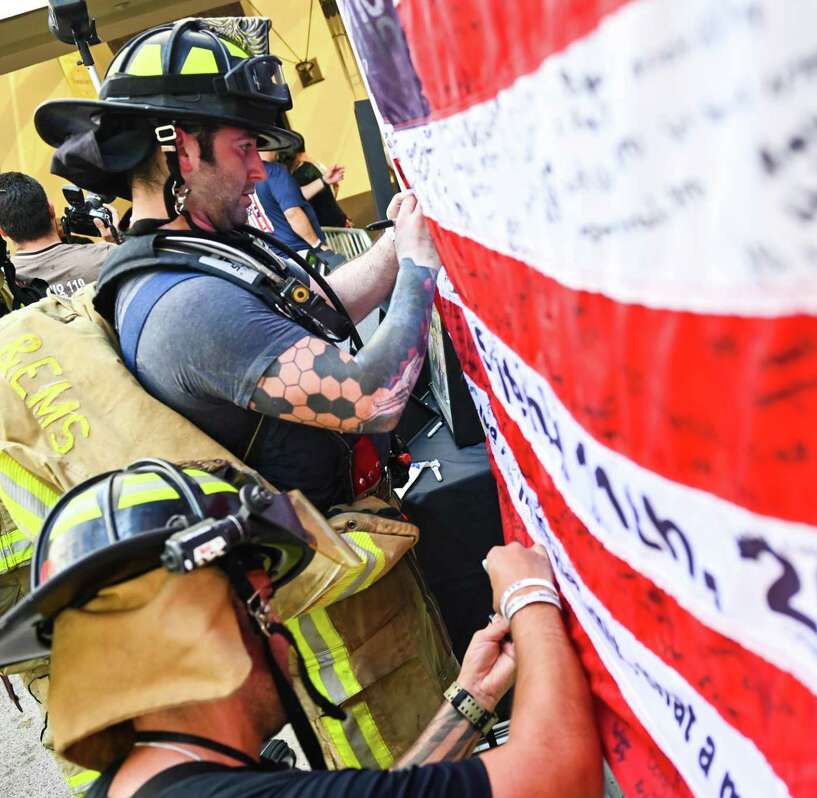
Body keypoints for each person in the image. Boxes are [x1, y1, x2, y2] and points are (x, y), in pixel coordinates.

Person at [34, 19, 458, 768]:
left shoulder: (191, 261)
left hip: (359, 574)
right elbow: (376, 395)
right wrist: (421, 269)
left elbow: (314, 309)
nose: (261, 172)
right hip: (342, 638)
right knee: (414, 772)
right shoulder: (185, 307)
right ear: (179, 148)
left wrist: (396, 246)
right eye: (243, 148)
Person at [0, 461, 602, 798]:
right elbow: (559, 775)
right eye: (266, 602)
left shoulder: (155, 782)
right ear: (201, 626)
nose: (283, 633)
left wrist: (471, 703)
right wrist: (530, 596)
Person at [0, 171, 114, 296]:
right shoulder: (109, 256)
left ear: (2, 232)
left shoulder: (6, 288)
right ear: (51, 209)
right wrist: (119, 245)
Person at [255, 150, 344, 267]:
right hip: (302, 252)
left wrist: (323, 181)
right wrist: (317, 245)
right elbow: (292, 212)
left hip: (276, 258)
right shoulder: (274, 171)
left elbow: (292, 196)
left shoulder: (243, 177)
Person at [282, 144, 350, 228]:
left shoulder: (299, 175)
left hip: (332, 230)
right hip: (338, 224)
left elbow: (294, 198)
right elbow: (335, 187)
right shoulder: (310, 165)